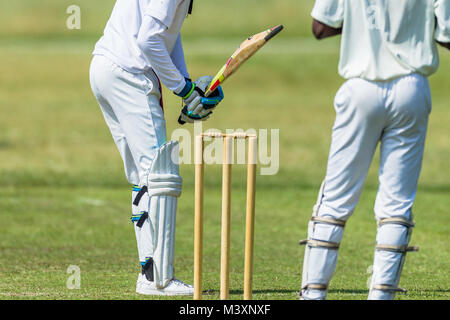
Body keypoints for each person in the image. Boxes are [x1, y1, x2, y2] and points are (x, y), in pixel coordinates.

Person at [300, 0, 449, 300]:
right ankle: (381, 296)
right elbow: (447, 35)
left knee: (335, 201)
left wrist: (368, 24)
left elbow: (320, 27)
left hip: (361, 88)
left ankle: (313, 296)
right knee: (396, 205)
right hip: (412, 88)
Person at [89, 0, 224, 296]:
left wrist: (187, 86)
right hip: (130, 74)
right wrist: (184, 90)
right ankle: (157, 279)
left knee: (143, 178)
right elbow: (149, 40)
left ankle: (150, 274)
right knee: (159, 174)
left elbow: (166, 37)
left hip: (105, 67)